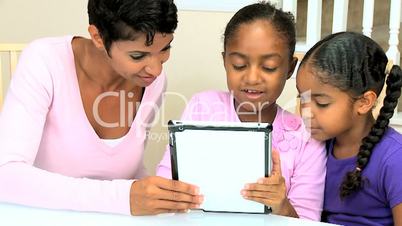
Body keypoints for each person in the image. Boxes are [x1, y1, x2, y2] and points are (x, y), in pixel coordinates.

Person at [0, 0, 203, 216]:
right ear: (98, 37)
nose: (155, 69)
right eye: (138, 56)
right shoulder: (45, 61)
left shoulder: (151, 81)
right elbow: (6, 175)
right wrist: (123, 198)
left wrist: (158, 195)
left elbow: (129, 171)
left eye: (165, 49)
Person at [156, 2, 327, 221]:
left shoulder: (306, 136)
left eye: (269, 67)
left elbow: (307, 222)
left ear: (290, 68)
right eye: (239, 65)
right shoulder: (203, 107)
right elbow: (166, 185)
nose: (252, 78)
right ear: (225, 61)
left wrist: (280, 204)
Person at [296, 32, 402, 225]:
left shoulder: (395, 158)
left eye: (321, 102)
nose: (306, 112)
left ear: (364, 102)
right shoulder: (312, 148)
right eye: (302, 98)